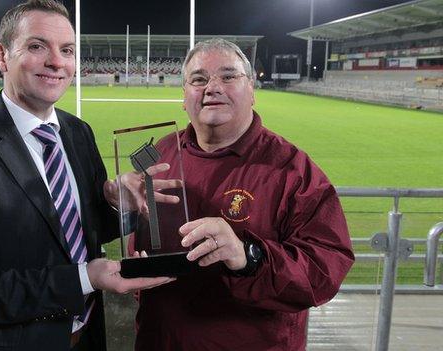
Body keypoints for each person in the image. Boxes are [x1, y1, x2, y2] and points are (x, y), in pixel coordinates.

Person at [0, 2, 172, 350]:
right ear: (2, 56)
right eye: (37, 46)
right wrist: (85, 277)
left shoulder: (77, 132)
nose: (57, 62)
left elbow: (82, 231)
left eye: (67, 50)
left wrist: (120, 207)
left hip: (86, 337)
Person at [126, 38, 355, 350]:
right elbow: (140, 239)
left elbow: (325, 270)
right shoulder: (159, 153)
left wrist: (248, 255)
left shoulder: (293, 170)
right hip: (159, 340)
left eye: (228, 76)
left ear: (252, 91)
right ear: (184, 96)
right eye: (198, 79)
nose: (212, 87)